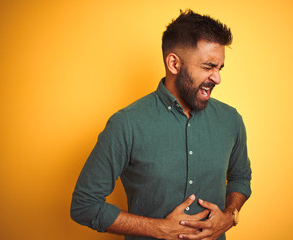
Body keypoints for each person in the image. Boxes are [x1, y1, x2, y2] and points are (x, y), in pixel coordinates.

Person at [71, 9, 252, 240]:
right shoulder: (126, 124)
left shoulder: (230, 120)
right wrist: (159, 228)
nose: (217, 78)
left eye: (219, 68)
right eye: (208, 67)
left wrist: (229, 216)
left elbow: (241, 178)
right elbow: (85, 205)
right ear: (174, 64)